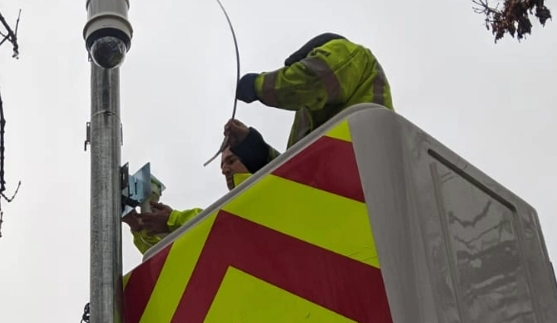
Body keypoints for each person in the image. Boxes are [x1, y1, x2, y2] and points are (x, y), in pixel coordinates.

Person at [231, 33, 393, 173]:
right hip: (340, 192)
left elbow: (312, 79)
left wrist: (257, 85)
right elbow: (295, 174)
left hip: (365, 177)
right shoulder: (308, 114)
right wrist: (253, 148)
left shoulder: (345, 50)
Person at [122, 138, 257, 255]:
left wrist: (173, 220)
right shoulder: (237, 205)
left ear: (253, 158)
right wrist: (138, 227)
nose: (224, 170)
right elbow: (172, 259)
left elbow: (219, 228)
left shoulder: (257, 197)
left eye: (232, 161)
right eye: (222, 166)